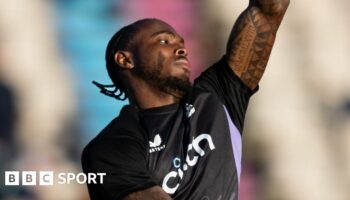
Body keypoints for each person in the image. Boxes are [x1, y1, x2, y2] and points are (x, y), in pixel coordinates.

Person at [82, 0, 289, 199]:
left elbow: (269, 9)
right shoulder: (110, 147)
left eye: (181, 43)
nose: (182, 49)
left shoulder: (216, 97)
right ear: (126, 59)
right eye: (164, 41)